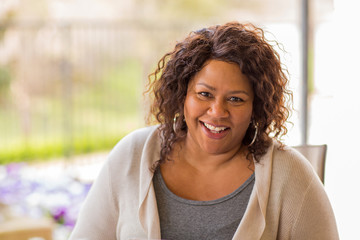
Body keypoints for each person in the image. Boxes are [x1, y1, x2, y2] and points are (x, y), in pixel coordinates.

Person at [69, 22, 339, 240]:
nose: (217, 112)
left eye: (236, 99)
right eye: (204, 94)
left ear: (256, 107)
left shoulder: (290, 175)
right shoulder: (132, 155)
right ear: (182, 95)